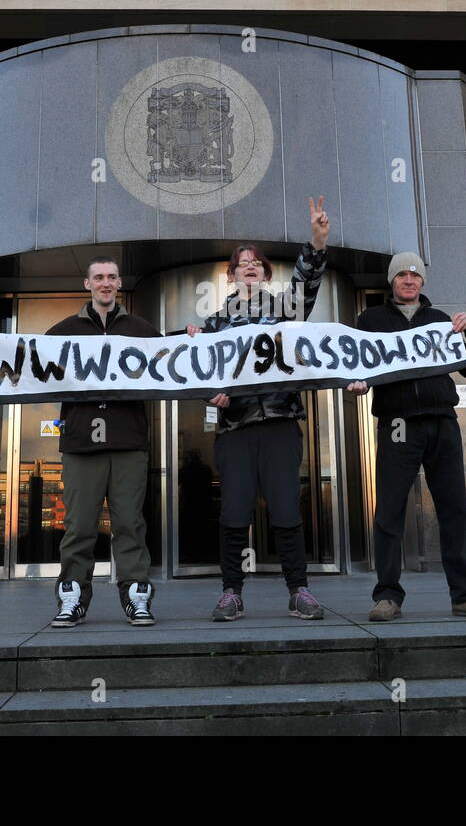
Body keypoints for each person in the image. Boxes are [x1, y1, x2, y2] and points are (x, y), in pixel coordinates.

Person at [0, 256, 162, 627]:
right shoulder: (64, 330)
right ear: (87, 284)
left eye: (111, 277)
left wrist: (200, 353)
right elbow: (25, 358)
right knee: (79, 525)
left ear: (119, 283)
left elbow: (178, 365)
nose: (105, 282)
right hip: (79, 443)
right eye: (98, 277)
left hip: (129, 441)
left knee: (130, 524)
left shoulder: (141, 330)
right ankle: (72, 597)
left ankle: (137, 595)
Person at [187, 198, 330, 622]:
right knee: (233, 510)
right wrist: (211, 394)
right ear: (230, 276)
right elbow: (196, 373)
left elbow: (307, 281)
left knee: (286, 507)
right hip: (234, 430)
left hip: (281, 425)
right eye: (241, 263)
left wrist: (317, 241)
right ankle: (231, 592)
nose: (249, 267)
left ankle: (299, 590)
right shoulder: (213, 323)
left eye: (256, 263)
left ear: (265, 273)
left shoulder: (288, 310)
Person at [347, 252, 466, 622]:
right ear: (392, 281)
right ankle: (387, 596)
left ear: (422, 283)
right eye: (402, 274)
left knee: (454, 509)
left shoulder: (441, 321)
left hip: (442, 421)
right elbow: (356, 366)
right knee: (389, 509)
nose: (409, 280)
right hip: (398, 422)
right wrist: (356, 384)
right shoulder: (370, 320)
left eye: (415, 275)